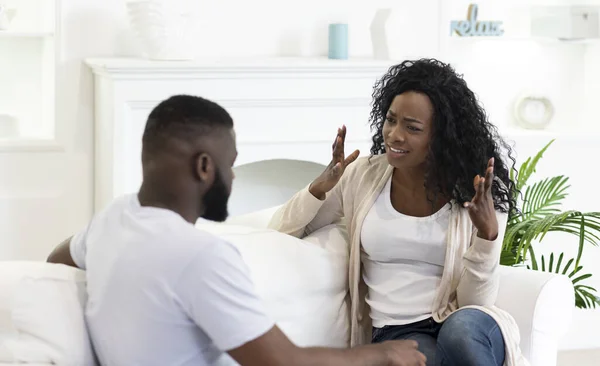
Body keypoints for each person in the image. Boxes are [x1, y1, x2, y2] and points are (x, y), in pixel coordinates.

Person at [47, 95, 426, 366]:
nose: (231, 177)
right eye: (230, 165)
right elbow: (283, 360)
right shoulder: (199, 256)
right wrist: (383, 353)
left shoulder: (113, 217)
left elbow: (57, 259)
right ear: (204, 167)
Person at [268, 59, 528, 366]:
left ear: (441, 137)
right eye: (390, 120)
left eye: (412, 128)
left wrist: (487, 236)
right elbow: (283, 229)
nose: (394, 135)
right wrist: (319, 188)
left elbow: (475, 303)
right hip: (397, 332)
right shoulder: (361, 176)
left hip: (467, 323)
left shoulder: (478, 189)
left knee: (459, 334)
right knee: (424, 356)